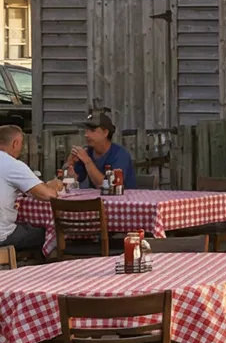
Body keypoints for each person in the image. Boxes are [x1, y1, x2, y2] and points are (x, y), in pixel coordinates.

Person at [0, 124, 63, 257]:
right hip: (2, 236)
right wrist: (54, 185)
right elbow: (47, 195)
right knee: (46, 234)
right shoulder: (11, 164)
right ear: (16, 143)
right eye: (21, 144)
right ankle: (43, 273)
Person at [69, 110, 137, 190]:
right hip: (97, 201)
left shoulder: (120, 154)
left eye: (92, 130)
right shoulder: (88, 152)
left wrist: (87, 161)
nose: (86, 135)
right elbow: (76, 178)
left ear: (105, 133)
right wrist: (70, 164)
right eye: (86, 130)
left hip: (123, 200)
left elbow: (109, 187)